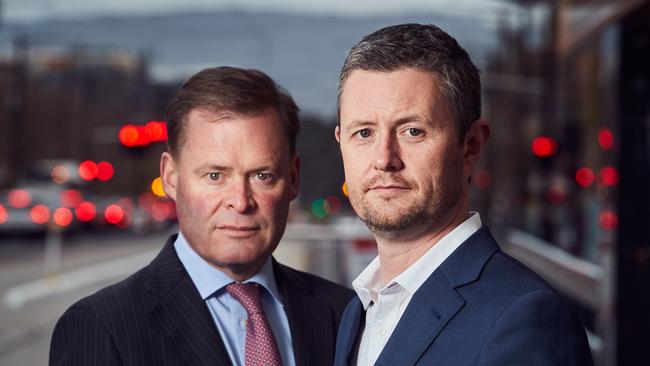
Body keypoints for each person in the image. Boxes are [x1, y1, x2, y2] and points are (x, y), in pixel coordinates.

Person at [50, 66, 354, 366]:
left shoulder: (344, 315)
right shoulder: (101, 328)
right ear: (170, 177)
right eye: (214, 176)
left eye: (262, 175)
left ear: (293, 177)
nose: (240, 201)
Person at [333, 23, 594, 366]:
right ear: (341, 143)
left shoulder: (526, 318)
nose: (384, 159)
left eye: (413, 131)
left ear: (471, 146)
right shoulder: (358, 310)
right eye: (364, 133)